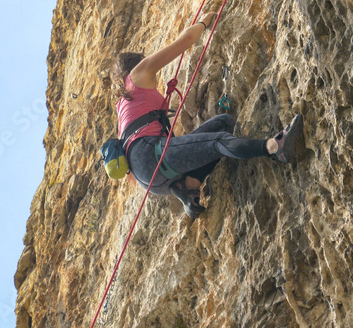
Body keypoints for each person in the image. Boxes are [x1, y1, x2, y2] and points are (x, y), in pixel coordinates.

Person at [112, 12, 304, 219]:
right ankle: (275, 147)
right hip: (150, 155)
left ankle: (189, 188)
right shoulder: (137, 74)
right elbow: (186, 40)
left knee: (224, 123)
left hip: (148, 178)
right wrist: (204, 22)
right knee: (217, 141)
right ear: (136, 64)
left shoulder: (123, 104)